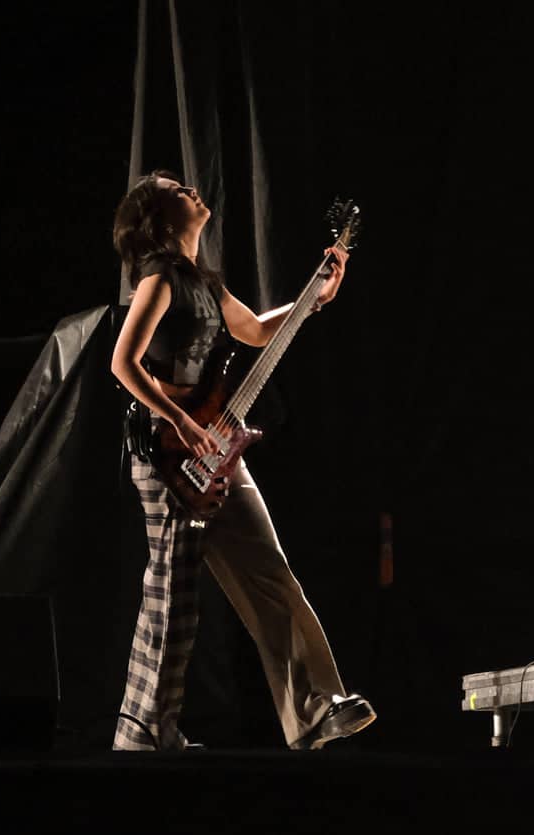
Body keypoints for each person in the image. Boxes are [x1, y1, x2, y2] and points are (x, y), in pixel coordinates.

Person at [106, 170, 374, 752]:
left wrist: (314, 299)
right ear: (160, 218)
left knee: (269, 573)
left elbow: (253, 331)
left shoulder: (204, 280)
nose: (190, 190)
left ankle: (316, 710)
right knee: (173, 598)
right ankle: (146, 732)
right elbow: (124, 363)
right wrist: (181, 421)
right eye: (175, 190)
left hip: (217, 444)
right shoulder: (159, 278)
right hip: (168, 450)